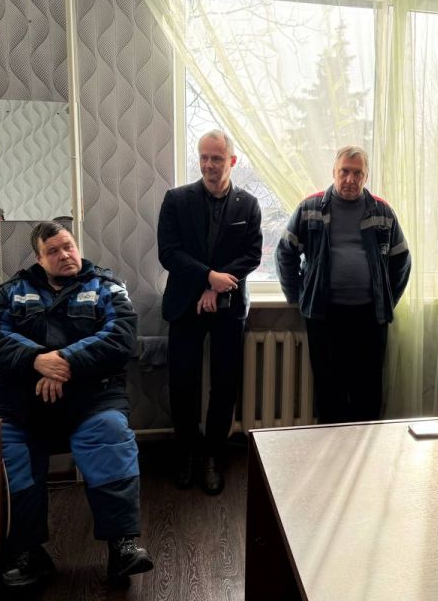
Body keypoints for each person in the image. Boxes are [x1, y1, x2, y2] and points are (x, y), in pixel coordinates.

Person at [0, 221, 152, 588]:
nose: (64, 255)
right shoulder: (12, 292)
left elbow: (120, 337)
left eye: (68, 246)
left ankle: (122, 547)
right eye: (53, 251)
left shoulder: (106, 286)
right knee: (7, 450)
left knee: (111, 435)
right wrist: (36, 360)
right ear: (39, 259)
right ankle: (26, 551)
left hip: (91, 397)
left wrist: (63, 362)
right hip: (22, 401)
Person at [157, 129, 262, 494]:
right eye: (203, 157)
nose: (208, 165)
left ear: (232, 161)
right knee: (183, 384)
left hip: (228, 308)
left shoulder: (249, 204)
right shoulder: (176, 199)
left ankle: (213, 455)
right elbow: (168, 253)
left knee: (224, 384)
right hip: (184, 305)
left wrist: (216, 287)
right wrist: (207, 278)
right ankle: (186, 453)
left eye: (216, 158)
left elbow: (252, 255)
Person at [276, 145, 411, 423]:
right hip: (325, 315)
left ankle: (365, 446)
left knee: (368, 391)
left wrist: (386, 297)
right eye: (344, 172)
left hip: (370, 316)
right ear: (333, 172)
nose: (350, 179)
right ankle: (332, 447)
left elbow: (401, 260)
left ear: (366, 176)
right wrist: (298, 296)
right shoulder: (310, 208)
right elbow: (285, 252)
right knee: (329, 390)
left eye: (357, 173)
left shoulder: (382, 211)